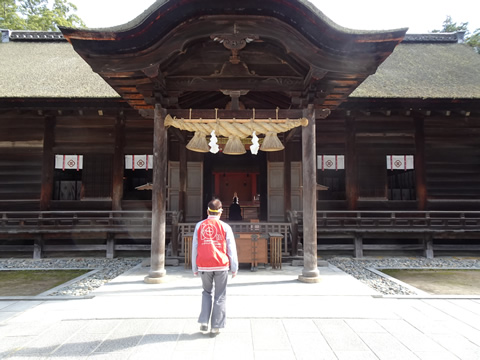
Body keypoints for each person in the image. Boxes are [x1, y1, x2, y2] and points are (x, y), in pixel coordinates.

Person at [192, 198, 238, 336]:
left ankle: (204, 321)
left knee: (206, 292)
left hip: (204, 264)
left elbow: (195, 247)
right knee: (220, 295)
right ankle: (216, 326)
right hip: (221, 264)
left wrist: (195, 267)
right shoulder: (225, 227)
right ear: (221, 212)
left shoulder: (199, 225)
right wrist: (234, 267)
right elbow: (231, 249)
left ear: (207, 211)